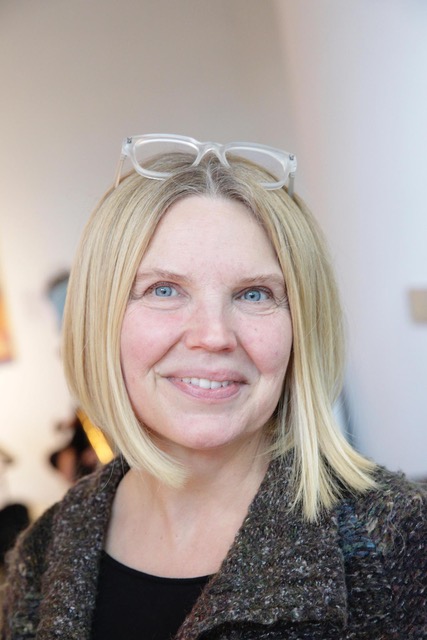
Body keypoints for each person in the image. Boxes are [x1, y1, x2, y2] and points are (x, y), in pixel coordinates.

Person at [1, 134, 426, 639]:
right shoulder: (43, 552)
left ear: (302, 327)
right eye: (164, 289)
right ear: (99, 319)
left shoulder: (401, 540)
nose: (214, 335)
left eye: (254, 294)